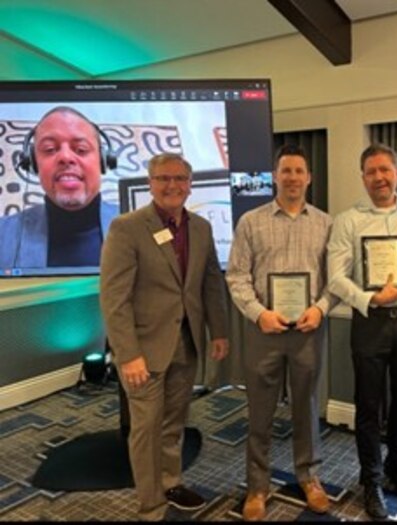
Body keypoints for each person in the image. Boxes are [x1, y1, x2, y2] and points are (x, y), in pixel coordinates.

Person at [99, 152, 229, 521]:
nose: (172, 185)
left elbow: (210, 283)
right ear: (150, 183)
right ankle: (151, 504)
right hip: (143, 350)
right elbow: (114, 297)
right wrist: (127, 354)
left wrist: (217, 331)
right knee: (145, 429)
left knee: (174, 422)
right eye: (163, 179)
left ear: (190, 185)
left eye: (179, 179)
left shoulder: (201, 227)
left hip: (186, 344)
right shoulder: (126, 227)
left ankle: (171, 481)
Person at [225, 144, 336, 521]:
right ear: (275, 176)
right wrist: (258, 314)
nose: (292, 177)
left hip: (307, 330)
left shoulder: (325, 223)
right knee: (260, 411)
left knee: (306, 407)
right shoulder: (251, 222)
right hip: (264, 331)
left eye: (298, 171)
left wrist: (320, 309)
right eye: (285, 170)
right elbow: (237, 276)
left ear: (309, 177)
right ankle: (257, 485)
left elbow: (334, 280)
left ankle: (309, 476)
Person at [326, 143, 397, 520]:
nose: (379, 177)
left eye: (385, 170)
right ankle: (370, 481)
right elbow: (335, 278)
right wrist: (369, 297)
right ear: (363, 177)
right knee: (368, 407)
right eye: (371, 171)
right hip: (369, 320)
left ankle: (395, 468)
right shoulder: (347, 220)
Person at [0, 106, 118, 268]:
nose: (65, 157)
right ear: (33, 163)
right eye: (50, 149)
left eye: (81, 149)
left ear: (104, 161)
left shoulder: (145, 227)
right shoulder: (3, 235)